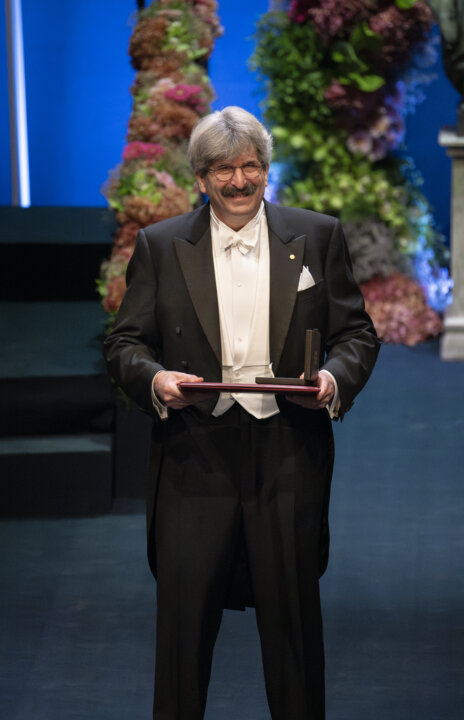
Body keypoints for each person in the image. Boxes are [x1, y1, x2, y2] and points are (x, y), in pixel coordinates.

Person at [103, 106, 380, 720]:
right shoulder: (161, 245)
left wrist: (334, 379)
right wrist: (155, 380)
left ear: (266, 170)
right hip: (193, 458)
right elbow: (125, 344)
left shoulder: (317, 235)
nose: (238, 182)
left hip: (288, 454)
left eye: (250, 166)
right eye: (223, 170)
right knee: (183, 637)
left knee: (294, 635)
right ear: (201, 178)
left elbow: (357, 333)